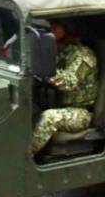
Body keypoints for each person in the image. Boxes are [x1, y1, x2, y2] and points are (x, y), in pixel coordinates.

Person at [30, 19, 97, 156]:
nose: (52, 29)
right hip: (59, 105)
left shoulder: (84, 55)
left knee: (49, 117)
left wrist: (47, 71)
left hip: (81, 112)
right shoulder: (62, 50)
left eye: (56, 26)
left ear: (68, 29)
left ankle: (25, 157)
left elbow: (69, 82)